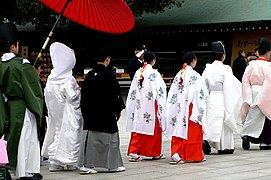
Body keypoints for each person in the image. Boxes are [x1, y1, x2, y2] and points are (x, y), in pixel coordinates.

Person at [0, 23, 43, 180]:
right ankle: (26, 171)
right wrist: (31, 71)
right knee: (26, 136)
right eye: (17, 44)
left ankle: (14, 169)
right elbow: (34, 88)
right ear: (13, 46)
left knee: (13, 136)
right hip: (24, 105)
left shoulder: (1, 65)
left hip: (8, 105)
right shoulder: (22, 65)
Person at [78, 48, 126, 174]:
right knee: (111, 140)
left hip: (91, 114)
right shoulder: (109, 75)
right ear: (107, 59)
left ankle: (88, 164)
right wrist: (118, 109)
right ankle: (111, 165)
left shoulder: (89, 75)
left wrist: (85, 111)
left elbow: (84, 95)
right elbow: (115, 94)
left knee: (91, 140)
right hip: (106, 113)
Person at [41, 42, 83, 171]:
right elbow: (73, 98)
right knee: (70, 134)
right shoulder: (67, 79)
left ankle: (54, 159)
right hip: (67, 111)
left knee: (56, 132)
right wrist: (79, 91)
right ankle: (67, 160)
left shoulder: (51, 78)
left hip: (54, 111)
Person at [165, 52, 207, 164]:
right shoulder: (195, 76)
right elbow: (200, 95)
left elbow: (172, 93)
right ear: (193, 61)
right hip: (190, 107)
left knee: (178, 128)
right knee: (193, 131)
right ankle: (194, 154)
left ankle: (176, 153)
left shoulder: (179, 74)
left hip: (178, 107)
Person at [126, 51, 167, 162]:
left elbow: (133, 90)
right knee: (153, 127)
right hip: (151, 104)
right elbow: (160, 89)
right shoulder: (154, 73)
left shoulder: (138, 72)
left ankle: (134, 151)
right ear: (153, 60)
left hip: (139, 104)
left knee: (138, 125)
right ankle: (153, 152)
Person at [202, 41, 241, 155]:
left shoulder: (207, 69)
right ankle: (224, 146)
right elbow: (231, 86)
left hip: (211, 97)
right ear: (223, 55)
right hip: (223, 96)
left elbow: (203, 87)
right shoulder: (226, 69)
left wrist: (206, 99)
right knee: (224, 121)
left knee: (212, 120)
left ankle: (208, 141)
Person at [241, 38, 271, 150]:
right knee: (266, 117)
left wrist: (247, 95)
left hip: (253, 91)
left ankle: (247, 135)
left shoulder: (251, 65)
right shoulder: (268, 66)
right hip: (265, 92)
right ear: (268, 52)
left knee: (252, 116)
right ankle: (265, 142)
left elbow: (245, 81)